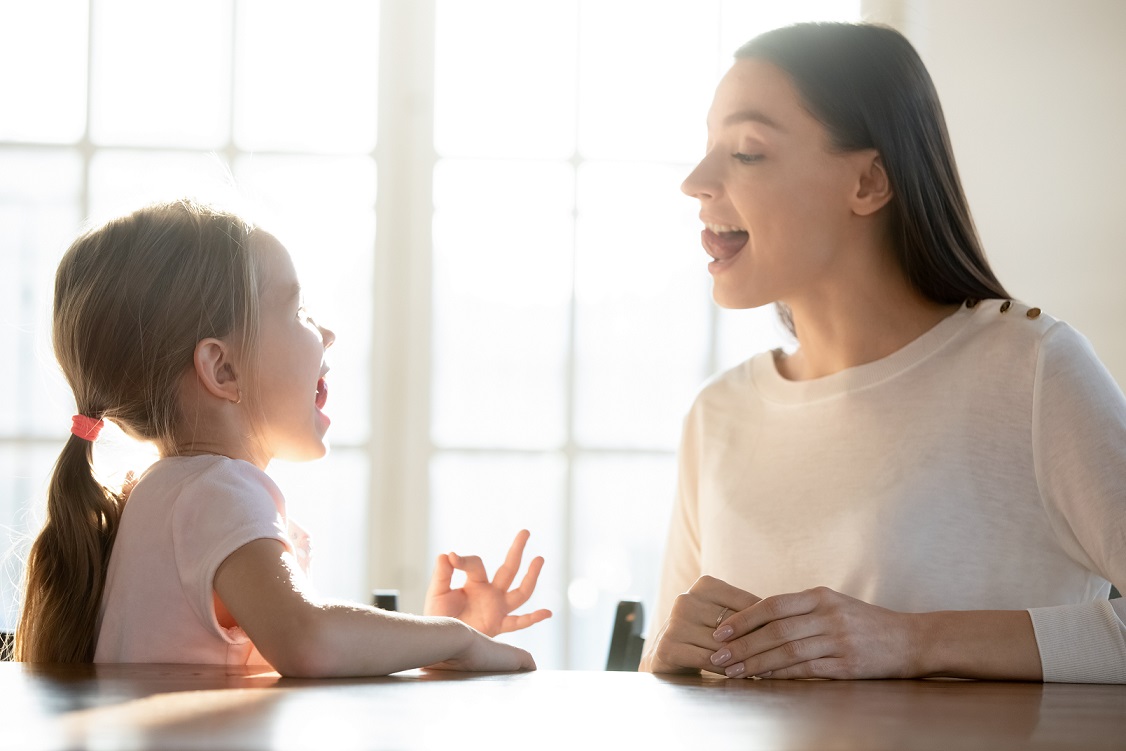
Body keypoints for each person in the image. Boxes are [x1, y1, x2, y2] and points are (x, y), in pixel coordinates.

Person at [640, 22, 1126, 683]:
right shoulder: (717, 413)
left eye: (748, 152)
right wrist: (671, 661)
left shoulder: (1032, 370)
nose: (696, 181)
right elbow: (663, 695)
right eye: (707, 149)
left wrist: (913, 642)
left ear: (868, 182)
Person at [15, 199, 551, 676]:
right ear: (221, 370)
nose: (328, 333)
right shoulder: (216, 492)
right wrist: (457, 641)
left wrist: (425, 643)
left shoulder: (169, 496)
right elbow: (308, 640)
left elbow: (272, 666)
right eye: (298, 311)